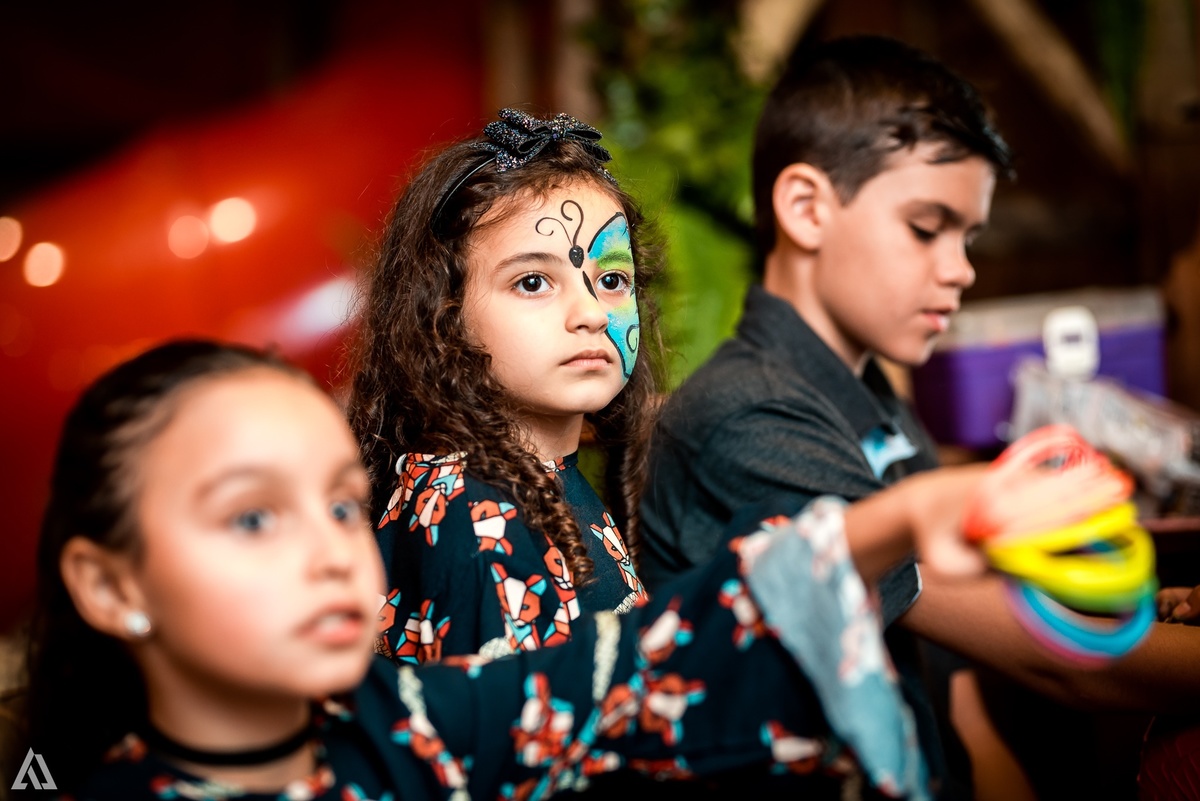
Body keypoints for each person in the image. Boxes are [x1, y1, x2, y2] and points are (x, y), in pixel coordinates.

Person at [9, 338, 1061, 800]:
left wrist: (915, 513)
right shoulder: (468, 510)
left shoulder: (410, 726)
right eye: (250, 518)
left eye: (340, 502)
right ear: (111, 586)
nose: (332, 549)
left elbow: (641, 663)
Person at [636, 32, 1200, 796]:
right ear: (806, 207)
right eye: (926, 227)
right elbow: (1058, 657)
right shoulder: (753, 420)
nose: (961, 267)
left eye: (967, 236)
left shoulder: (867, 394)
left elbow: (953, 689)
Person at [346, 109, 665, 664]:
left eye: (612, 280)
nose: (590, 312)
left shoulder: (532, 472)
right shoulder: (477, 516)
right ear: (444, 315)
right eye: (534, 282)